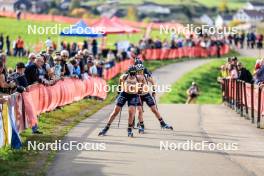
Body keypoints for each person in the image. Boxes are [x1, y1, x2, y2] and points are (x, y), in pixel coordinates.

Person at [98, 65, 144, 137]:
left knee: (131, 112)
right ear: (128, 72)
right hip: (124, 94)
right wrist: (118, 93)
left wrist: (139, 90)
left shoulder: (139, 78)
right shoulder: (123, 77)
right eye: (131, 73)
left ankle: (129, 130)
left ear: (136, 73)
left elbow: (140, 90)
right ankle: (106, 128)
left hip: (133, 95)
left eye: (133, 73)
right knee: (115, 111)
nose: (132, 75)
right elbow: (119, 86)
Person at [135, 64, 173, 133]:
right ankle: (141, 125)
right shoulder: (134, 78)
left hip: (146, 94)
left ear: (143, 71)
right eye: (138, 71)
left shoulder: (146, 76)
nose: (140, 72)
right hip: (138, 96)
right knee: (140, 111)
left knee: (154, 109)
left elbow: (153, 82)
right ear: (136, 71)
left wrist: (154, 91)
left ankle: (162, 124)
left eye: (141, 71)